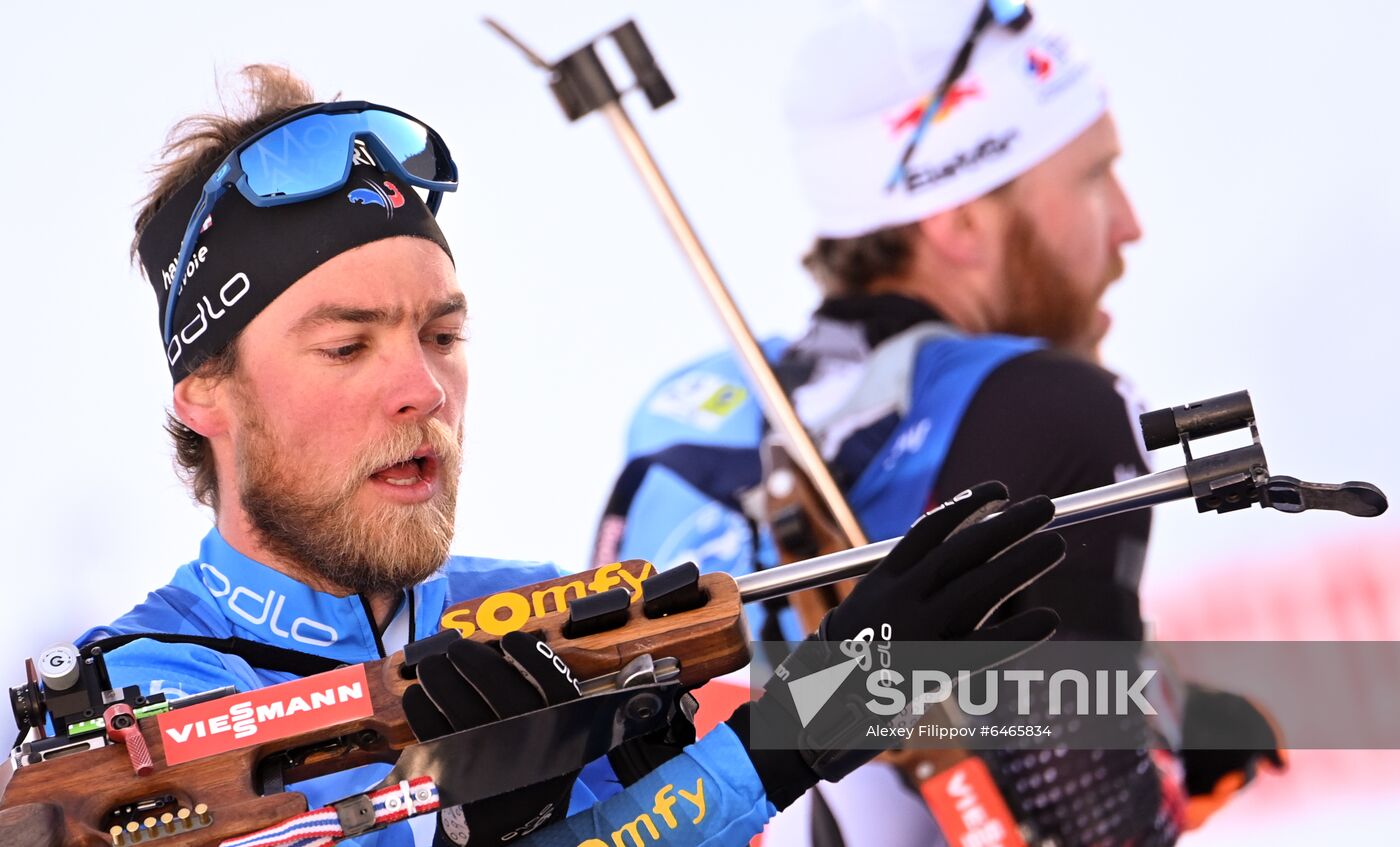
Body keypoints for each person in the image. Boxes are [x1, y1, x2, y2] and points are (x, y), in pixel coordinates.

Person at [48, 64, 1068, 847]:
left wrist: (824, 706)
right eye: (348, 346)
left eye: (442, 337)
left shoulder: (549, 614)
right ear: (205, 395)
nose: (423, 389)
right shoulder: (135, 702)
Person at [595, 1, 1278, 844]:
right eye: (1094, 178)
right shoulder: (1052, 407)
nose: (1129, 226)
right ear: (961, 222)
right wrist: (1173, 765)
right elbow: (1097, 824)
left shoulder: (686, 402)